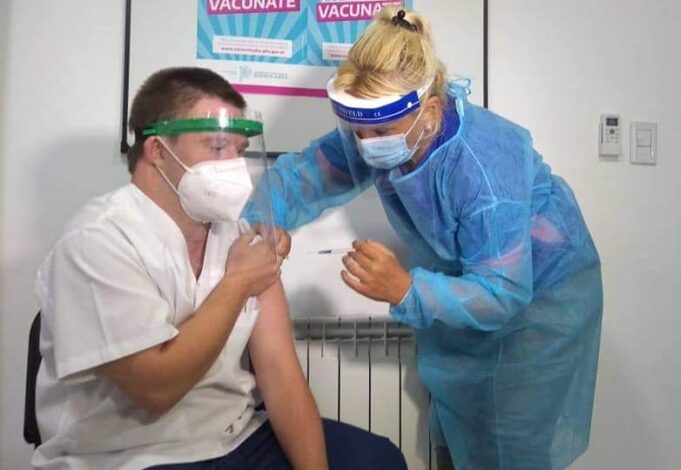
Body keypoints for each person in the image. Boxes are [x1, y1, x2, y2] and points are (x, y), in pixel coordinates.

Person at [242, 7, 603, 470]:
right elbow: (306, 175)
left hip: (537, 310)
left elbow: (506, 291)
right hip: (465, 287)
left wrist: (406, 289)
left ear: (430, 112)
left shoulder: (484, 168)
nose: (367, 145)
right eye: (359, 131)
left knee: (511, 446)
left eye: (381, 132)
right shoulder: (382, 131)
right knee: (461, 430)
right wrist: (264, 221)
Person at [32, 66, 407, 470]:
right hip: (125, 454)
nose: (234, 166)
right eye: (216, 148)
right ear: (158, 151)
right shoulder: (97, 241)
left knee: (378, 459)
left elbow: (280, 374)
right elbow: (158, 390)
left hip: (233, 436)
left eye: (239, 150)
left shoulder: (238, 234)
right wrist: (239, 282)